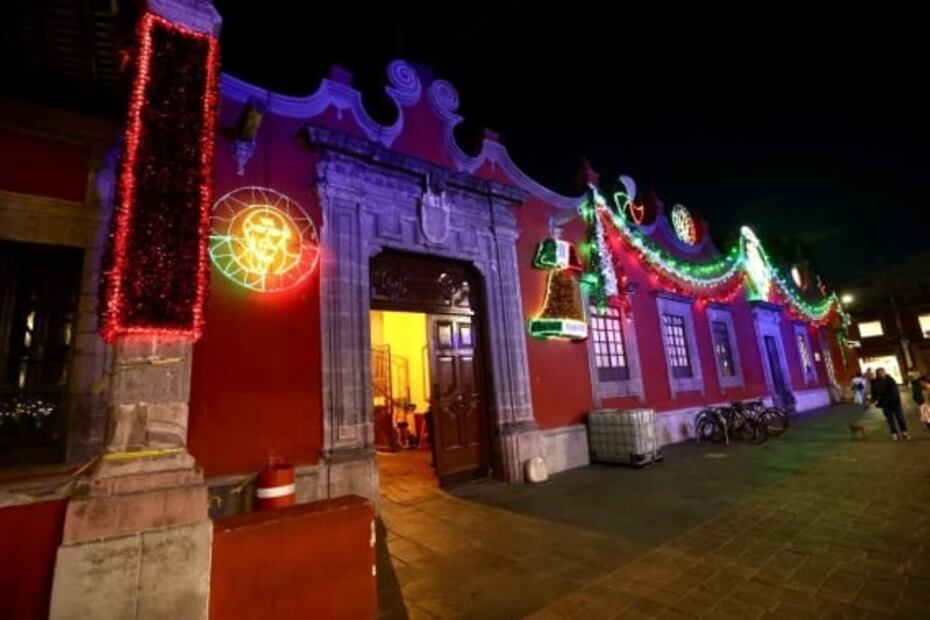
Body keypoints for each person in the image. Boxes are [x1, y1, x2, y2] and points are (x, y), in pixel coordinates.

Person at [871, 368, 908, 440]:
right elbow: (874, 392)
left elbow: (894, 392)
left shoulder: (890, 380)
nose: (881, 374)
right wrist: (875, 400)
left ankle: (904, 432)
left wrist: (891, 399)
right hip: (885, 404)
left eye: (882, 372)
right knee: (890, 419)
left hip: (894, 403)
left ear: (885, 372)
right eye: (879, 373)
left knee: (900, 418)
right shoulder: (875, 382)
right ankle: (894, 433)